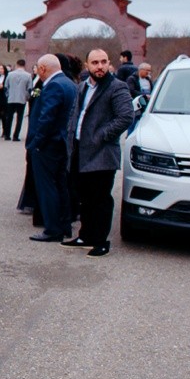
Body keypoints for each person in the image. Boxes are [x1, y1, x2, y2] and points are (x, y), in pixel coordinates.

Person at [63, 49, 134, 257]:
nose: (100, 66)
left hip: (102, 153)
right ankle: (85, 236)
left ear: (109, 63)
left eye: (103, 62)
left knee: (100, 199)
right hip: (80, 150)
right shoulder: (82, 86)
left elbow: (125, 117)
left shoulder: (117, 87)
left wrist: (101, 135)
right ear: (87, 65)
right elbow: (76, 113)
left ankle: (101, 241)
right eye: (95, 63)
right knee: (84, 197)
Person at [25, 54, 75, 241]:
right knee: (61, 185)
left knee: (47, 187)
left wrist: (36, 143)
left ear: (43, 69)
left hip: (48, 144)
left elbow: (46, 118)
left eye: (38, 69)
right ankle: (64, 225)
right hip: (61, 143)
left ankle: (52, 229)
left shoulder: (53, 85)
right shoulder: (69, 84)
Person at [4, 58, 33, 141]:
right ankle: (16, 136)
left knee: (9, 117)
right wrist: (27, 97)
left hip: (11, 98)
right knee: (19, 118)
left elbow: (6, 86)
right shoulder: (28, 75)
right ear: (24, 65)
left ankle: (7, 135)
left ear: (16, 65)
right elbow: (30, 88)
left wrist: (7, 95)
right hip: (21, 99)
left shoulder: (10, 74)